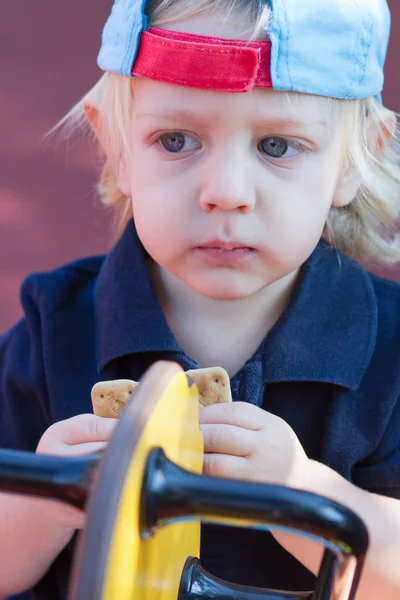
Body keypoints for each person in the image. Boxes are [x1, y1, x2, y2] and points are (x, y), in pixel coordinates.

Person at [1, 0, 400, 598]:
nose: (226, 192)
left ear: (353, 159)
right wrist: (47, 501)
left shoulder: (391, 353)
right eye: (177, 139)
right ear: (115, 145)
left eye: (278, 146)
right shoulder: (53, 329)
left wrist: (305, 492)